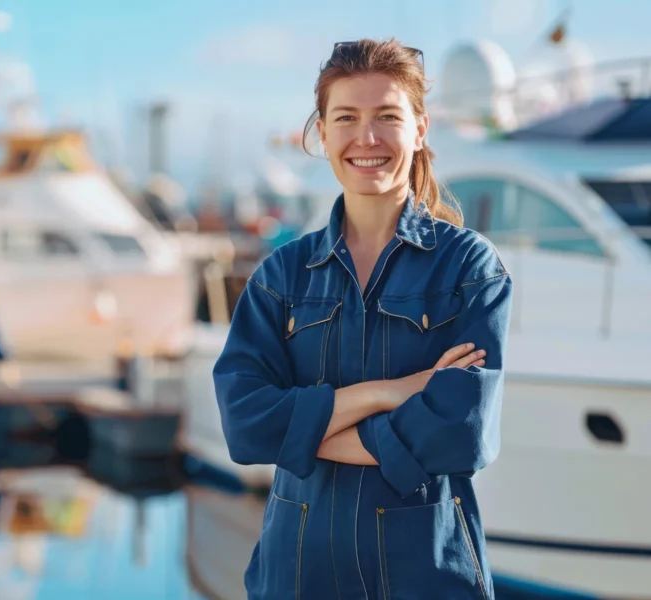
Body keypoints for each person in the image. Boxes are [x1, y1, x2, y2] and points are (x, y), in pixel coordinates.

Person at [213, 38, 512, 600]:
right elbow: (245, 424)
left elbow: (461, 433)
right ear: (322, 132)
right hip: (296, 576)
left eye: (387, 117)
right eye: (346, 117)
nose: (366, 138)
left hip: (427, 577)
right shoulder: (282, 276)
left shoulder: (470, 267)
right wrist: (390, 392)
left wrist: (299, 429)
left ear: (420, 129)